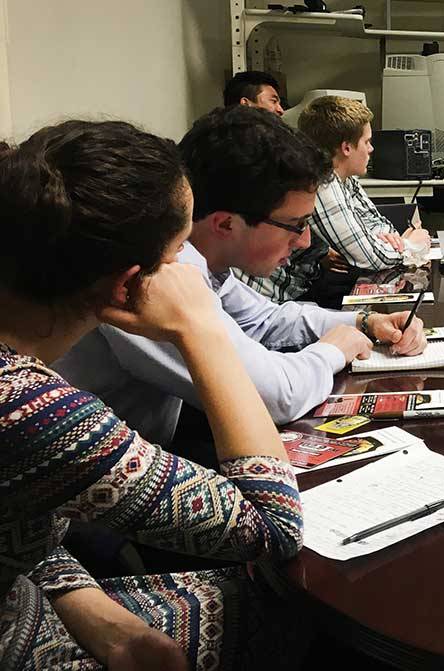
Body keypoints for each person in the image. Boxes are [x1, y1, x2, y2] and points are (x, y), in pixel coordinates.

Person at [0, 120, 305, 668]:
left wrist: (85, 603)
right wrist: (201, 329)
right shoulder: (31, 412)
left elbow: (18, 518)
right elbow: (272, 527)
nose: (188, 272)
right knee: (296, 619)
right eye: (180, 253)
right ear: (129, 283)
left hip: (34, 597)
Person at [54, 106, 428, 449]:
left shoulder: (198, 261)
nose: (305, 241)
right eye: (295, 226)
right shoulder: (151, 276)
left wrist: (363, 321)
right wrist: (335, 348)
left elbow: (265, 319)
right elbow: (275, 397)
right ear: (226, 224)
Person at [239, 95, 430, 302]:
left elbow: (379, 227)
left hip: (300, 289)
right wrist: (410, 246)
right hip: (277, 298)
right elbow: (370, 257)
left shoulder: (346, 179)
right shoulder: (323, 182)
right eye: (366, 142)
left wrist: (395, 241)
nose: (371, 149)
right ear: (346, 147)